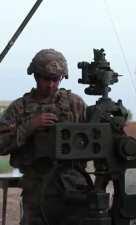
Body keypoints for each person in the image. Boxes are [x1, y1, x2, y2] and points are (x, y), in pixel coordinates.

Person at [0, 49, 89, 225]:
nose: (50, 85)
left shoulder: (75, 104)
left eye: (55, 80)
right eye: (46, 79)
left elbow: (96, 137)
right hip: (36, 192)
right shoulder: (20, 108)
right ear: (36, 76)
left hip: (74, 189)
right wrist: (30, 126)